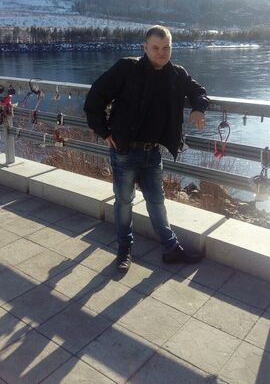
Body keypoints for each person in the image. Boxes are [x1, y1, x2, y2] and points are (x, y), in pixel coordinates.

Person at [84, 25, 209, 270]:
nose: (162, 53)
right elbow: (95, 97)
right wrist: (104, 132)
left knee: (157, 201)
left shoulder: (176, 74)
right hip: (124, 151)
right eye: (156, 48)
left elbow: (198, 91)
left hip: (153, 152)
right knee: (124, 202)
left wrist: (198, 108)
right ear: (145, 47)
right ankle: (124, 250)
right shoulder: (126, 68)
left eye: (166, 48)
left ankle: (171, 249)